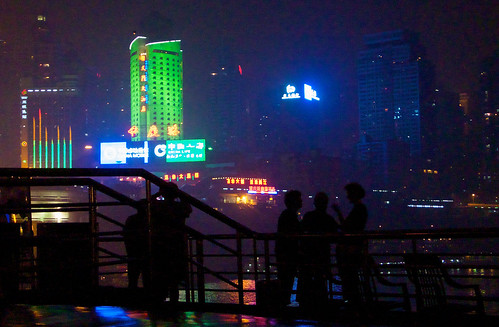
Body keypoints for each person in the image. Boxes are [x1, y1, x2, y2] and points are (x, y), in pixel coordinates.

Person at [150, 183, 192, 304]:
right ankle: (174, 302)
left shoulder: (158, 206)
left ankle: (159, 301)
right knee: (175, 277)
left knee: (160, 273)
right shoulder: (179, 207)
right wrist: (180, 194)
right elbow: (188, 208)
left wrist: (159, 193)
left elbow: (148, 202)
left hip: (159, 243)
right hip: (177, 243)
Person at [332, 182, 368, 310]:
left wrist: (338, 213)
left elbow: (346, 227)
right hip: (354, 249)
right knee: (352, 279)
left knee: (349, 278)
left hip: (351, 250)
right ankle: (355, 304)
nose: (347, 197)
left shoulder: (358, 209)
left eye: (349, 194)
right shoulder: (360, 209)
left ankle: (353, 304)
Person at [299, 192, 339, 308]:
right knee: (321, 280)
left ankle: (306, 303)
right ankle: (321, 303)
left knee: (306, 280)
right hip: (322, 255)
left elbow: (300, 231)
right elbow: (335, 235)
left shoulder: (308, 217)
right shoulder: (328, 219)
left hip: (308, 255)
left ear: (315, 203)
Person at [275, 190, 302, 306]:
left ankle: (283, 304)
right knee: (287, 280)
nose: (301, 201)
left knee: (286, 281)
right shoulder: (290, 216)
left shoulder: (286, 215)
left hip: (284, 254)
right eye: (299, 199)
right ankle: (283, 304)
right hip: (288, 254)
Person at [123, 199, 148, 289]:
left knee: (133, 277)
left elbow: (126, 234)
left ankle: (132, 295)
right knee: (148, 277)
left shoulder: (131, 219)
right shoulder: (149, 220)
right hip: (147, 253)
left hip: (133, 252)